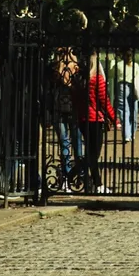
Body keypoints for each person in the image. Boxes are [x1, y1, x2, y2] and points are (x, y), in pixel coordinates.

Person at [75, 52, 117, 194]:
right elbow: (105, 101)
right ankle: (94, 183)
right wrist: (114, 119)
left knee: (90, 153)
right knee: (93, 154)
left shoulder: (81, 79)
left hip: (83, 119)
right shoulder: (97, 79)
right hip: (95, 119)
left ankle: (91, 182)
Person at [49, 48, 84, 190]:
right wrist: (61, 62)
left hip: (74, 110)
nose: (66, 55)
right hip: (59, 110)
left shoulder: (77, 67)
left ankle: (79, 175)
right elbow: (59, 79)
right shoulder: (55, 67)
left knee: (77, 143)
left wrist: (71, 59)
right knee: (64, 143)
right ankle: (67, 175)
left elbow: (73, 83)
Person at [108, 48, 139, 142]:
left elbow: (110, 74)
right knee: (133, 110)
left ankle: (127, 134)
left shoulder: (118, 65)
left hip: (122, 86)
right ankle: (132, 132)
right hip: (134, 86)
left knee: (123, 110)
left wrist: (112, 61)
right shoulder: (136, 65)